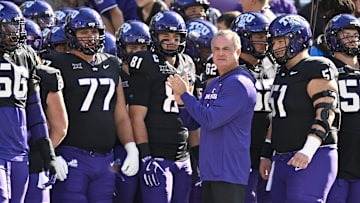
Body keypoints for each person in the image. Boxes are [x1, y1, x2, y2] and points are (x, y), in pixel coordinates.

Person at [43, 7, 139, 202]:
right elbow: (45, 113)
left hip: (105, 159)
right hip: (71, 154)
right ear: (72, 35)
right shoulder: (57, 63)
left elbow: (120, 114)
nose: (90, 37)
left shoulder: (112, 64)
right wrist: (52, 151)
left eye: (94, 32)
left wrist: (131, 147)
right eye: (84, 32)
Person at [167, 29, 257, 203]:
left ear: (237, 52)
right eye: (216, 49)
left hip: (229, 172)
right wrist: (181, 103)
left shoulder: (240, 83)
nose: (220, 53)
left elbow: (211, 119)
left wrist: (186, 95)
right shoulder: (214, 83)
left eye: (226, 49)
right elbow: (194, 123)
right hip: (211, 171)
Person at [259, 14, 340, 203]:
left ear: (299, 38)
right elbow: (278, 116)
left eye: (281, 40)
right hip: (282, 157)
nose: (276, 47)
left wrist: (309, 149)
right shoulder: (282, 72)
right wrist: (266, 153)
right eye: (274, 42)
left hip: (313, 155)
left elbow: (326, 111)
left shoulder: (317, 66)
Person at [128, 10, 196, 203]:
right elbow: (136, 116)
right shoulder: (146, 62)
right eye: (165, 36)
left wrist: (195, 156)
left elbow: (192, 115)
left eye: (176, 37)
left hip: (183, 156)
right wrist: (146, 155)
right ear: (154, 37)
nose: (171, 41)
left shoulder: (188, 64)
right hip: (157, 155)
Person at [0, 1, 57, 202]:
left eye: (16, 26)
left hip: (19, 153)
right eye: (6, 27)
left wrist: (48, 154)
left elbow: (35, 110)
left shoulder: (25, 56)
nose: (13, 32)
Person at [231, 11, 275, 203]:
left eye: (266, 37)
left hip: (266, 149)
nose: (264, 41)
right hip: (238, 152)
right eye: (258, 37)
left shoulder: (271, 63)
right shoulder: (228, 65)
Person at [114, 19, 152, 203]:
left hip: (149, 146)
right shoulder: (113, 73)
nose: (137, 51)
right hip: (120, 146)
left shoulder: (153, 74)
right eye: (132, 47)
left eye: (141, 47)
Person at [324, 13, 360, 203]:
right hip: (339, 156)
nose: (352, 39)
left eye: (355, 35)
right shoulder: (325, 69)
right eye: (346, 35)